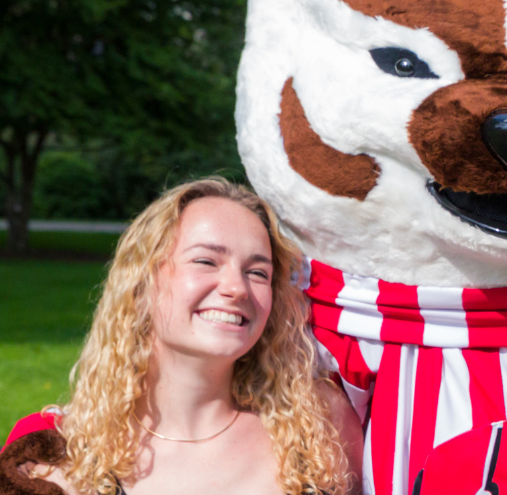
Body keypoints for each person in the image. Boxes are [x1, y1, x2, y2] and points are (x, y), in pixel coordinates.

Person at [0, 178, 363, 495]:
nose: (237, 287)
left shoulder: (320, 429)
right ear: (141, 285)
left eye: (257, 272)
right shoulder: (52, 456)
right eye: (206, 261)